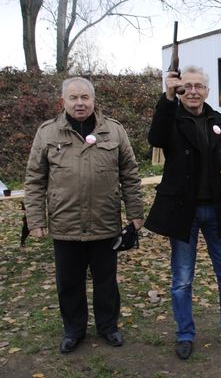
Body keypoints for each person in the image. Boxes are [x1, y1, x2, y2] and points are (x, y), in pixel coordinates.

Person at [144, 65, 221, 361]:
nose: (193, 91)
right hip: (184, 211)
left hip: (217, 208)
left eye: (199, 86)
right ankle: (184, 334)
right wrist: (166, 97)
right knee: (182, 279)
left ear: (208, 91)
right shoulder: (171, 117)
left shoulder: (220, 120)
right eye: (187, 86)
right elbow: (155, 137)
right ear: (180, 90)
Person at [24, 77, 144, 354]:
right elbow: (34, 179)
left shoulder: (114, 131)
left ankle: (108, 327)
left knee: (106, 280)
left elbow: (130, 173)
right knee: (69, 283)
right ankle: (73, 330)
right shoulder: (47, 133)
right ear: (63, 101)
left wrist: (135, 213)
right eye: (73, 98)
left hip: (105, 222)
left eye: (84, 98)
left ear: (93, 100)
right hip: (65, 223)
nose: (80, 103)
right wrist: (36, 220)